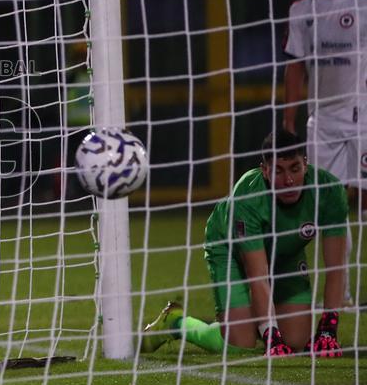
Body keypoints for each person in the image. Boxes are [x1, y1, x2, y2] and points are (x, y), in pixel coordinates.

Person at [140, 130, 347, 358]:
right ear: (265, 171)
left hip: (285, 254)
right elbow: (257, 274)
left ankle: (254, 320)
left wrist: (329, 329)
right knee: (241, 344)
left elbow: (336, 267)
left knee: (297, 340)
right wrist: (271, 335)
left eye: (295, 169)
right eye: (278, 170)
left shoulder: (329, 192)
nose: (288, 180)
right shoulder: (248, 196)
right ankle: (176, 323)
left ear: (305, 165)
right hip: (230, 249)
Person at [283, 0, 363, 308]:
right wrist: (288, 120)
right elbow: (296, 67)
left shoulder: (363, 9)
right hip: (322, 123)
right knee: (328, 205)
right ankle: (340, 294)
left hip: (362, 120)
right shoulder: (303, 11)